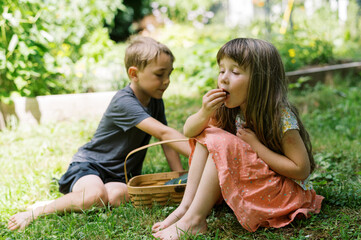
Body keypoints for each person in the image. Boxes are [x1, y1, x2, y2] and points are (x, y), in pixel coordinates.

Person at [8, 36, 191, 231]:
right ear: (134, 74)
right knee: (95, 196)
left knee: (112, 197)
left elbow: (165, 141)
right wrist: (203, 153)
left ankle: (75, 199)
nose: (166, 81)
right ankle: (37, 210)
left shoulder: (155, 100)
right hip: (90, 167)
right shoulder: (124, 102)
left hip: (121, 177)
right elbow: (164, 133)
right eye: (160, 74)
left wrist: (178, 178)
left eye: (169, 74)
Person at [152, 38, 324, 239]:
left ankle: (195, 220)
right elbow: (190, 131)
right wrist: (204, 112)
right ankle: (187, 207)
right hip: (260, 186)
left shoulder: (280, 117)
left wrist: (256, 146)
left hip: (285, 196)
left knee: (220, 141)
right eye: (221, 70)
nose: (224, 78)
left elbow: (300, 170)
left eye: (235, 72)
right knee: (208, 133)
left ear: (261, 81)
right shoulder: (228, 109)